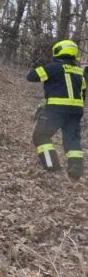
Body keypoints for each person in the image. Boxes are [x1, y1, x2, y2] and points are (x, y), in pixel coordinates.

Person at [27, 40, 85, 180]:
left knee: (41, 136)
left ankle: (51, 165)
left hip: (56, 110)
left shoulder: (53, 68)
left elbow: (31, 76)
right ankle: (76, 168)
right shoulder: (80, 72)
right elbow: (83, 93)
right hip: (76, 111)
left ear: (58, 51)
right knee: (72, 139)